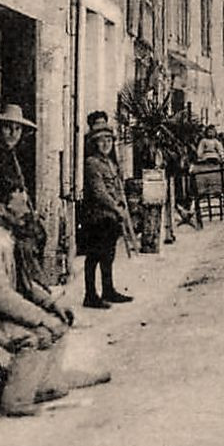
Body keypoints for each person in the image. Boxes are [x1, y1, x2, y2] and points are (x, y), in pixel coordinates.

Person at [0, 183, 74, 416]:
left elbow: (25, 285)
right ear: (1, 209)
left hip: (0, 313)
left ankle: (44, 384)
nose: (28, 211)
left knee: (58, 321)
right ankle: (15, 400)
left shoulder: (6, 237)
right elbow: (0, 297)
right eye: (21, 205)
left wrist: (51, 305)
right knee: (35, 335)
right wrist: (41, 319)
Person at [0, 102, 49, 292]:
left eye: (17, 128)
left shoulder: (12, 155)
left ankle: (34, 287)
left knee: (38, 233)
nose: (13, 133)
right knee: (24, 244)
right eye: (7, 127)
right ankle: (27, 288)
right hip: (2, 215)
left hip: (15, 212)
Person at [78, 112, 135, 309]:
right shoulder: (92, 163)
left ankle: (108, 290)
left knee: (108, 255)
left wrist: (121, 206)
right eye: (101, 141)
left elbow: (117, 188)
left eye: (109, 140)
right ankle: (90, 295)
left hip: (111, 216)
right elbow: (99, 192)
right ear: (95, 142)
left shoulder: (110, 163)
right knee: (94, 255)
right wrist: (116, 208)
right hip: (97, 217)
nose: (106, 144)